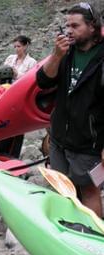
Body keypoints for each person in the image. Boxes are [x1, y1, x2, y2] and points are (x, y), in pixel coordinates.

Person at [36, 2, 104, 217]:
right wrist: (56, 55)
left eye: (75, 26)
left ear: (92, 27)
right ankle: (68, 227)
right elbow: (44, 81)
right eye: (67, 25)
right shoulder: (66, 51)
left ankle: (94, 239)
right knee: (62, 186)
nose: (69, 31)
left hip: (88, 143)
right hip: (59, 138)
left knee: (89, 190)